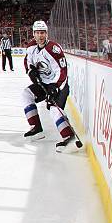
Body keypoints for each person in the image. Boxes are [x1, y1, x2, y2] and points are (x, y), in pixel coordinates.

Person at [21, 20, 81, 153]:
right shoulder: (31, 47)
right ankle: (36, 128)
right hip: (44, 84)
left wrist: (55, 87)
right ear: (33, 34)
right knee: (26, 94)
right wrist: (30, 71)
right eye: (37, 33)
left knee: (54, 109)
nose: (40, 36)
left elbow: (62, 71)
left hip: (59, 85)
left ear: (46, 34)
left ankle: (69, 137)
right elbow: (27, 61)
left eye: (42, 33)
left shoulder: (53, 49)